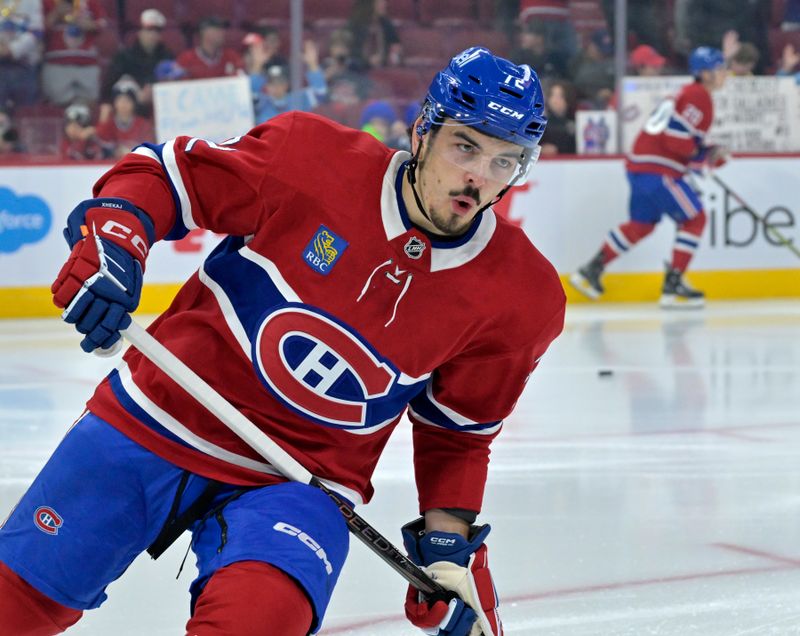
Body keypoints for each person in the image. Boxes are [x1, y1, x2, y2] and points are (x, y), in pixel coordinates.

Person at [0, 46, 565, 636]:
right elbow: (166, 176)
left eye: (506, 161)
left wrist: (448, 547)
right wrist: (117, 239)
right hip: (155, 418)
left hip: (298, 486)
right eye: (465, 147)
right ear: (422, 131)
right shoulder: (311, 156)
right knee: (14, 608)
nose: (479, 177)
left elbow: (457, 433)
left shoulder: (521, 298)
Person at [569, 47, 728, 308]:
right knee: (695, 218)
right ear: (704, 73)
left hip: (641, 167)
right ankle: (673, 286)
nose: (724, 74)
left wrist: (705, 153)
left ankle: (591, 271)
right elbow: (676, 140)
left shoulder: (689, 94)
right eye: (719, 69)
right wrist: (704, 155)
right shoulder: (698, 96)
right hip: (658, 170)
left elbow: (681, 139)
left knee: (641, 225)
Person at [101, 9, 174, 116]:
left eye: (157, 31)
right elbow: (108, 87)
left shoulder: (168, 56)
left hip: (162, 107)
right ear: (140, 32)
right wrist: (135, 95)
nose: (153, 35)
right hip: (132, 110)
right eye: (149, 30)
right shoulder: (124, 57)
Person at [41, 0, 109, 105]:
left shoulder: (91, 1)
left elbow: (102, 23)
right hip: (57, 63)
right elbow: (39, 28)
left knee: (87, 105)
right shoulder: (47, 2)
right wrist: (56, 14)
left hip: (87, 63)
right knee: (57, 105)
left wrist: (90, 25)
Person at [250, 40, 327, 124]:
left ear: (286, 85)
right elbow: (249, 94)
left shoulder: (297, 99)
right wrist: (257, 64)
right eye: (272, 83)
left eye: (280, 82)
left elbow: (320, 94)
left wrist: (313, 64)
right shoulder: (261, 101)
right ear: (266, 86)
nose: (276, 87)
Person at [96, 78, 154, 158]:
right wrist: (103, 119)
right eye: (119, 100)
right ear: (114, 103)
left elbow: (150, 150)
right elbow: (101, 144)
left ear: (134, 104)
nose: (123, 104)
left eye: (127, 100)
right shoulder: (109, 124)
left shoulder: (144, 125)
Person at [176, 15, 243, 80]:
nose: (223, 33)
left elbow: (241, 79)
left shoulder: (231, 56)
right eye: (217, 29)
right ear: (204, 33)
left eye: (222, 29)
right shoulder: (186, 59)